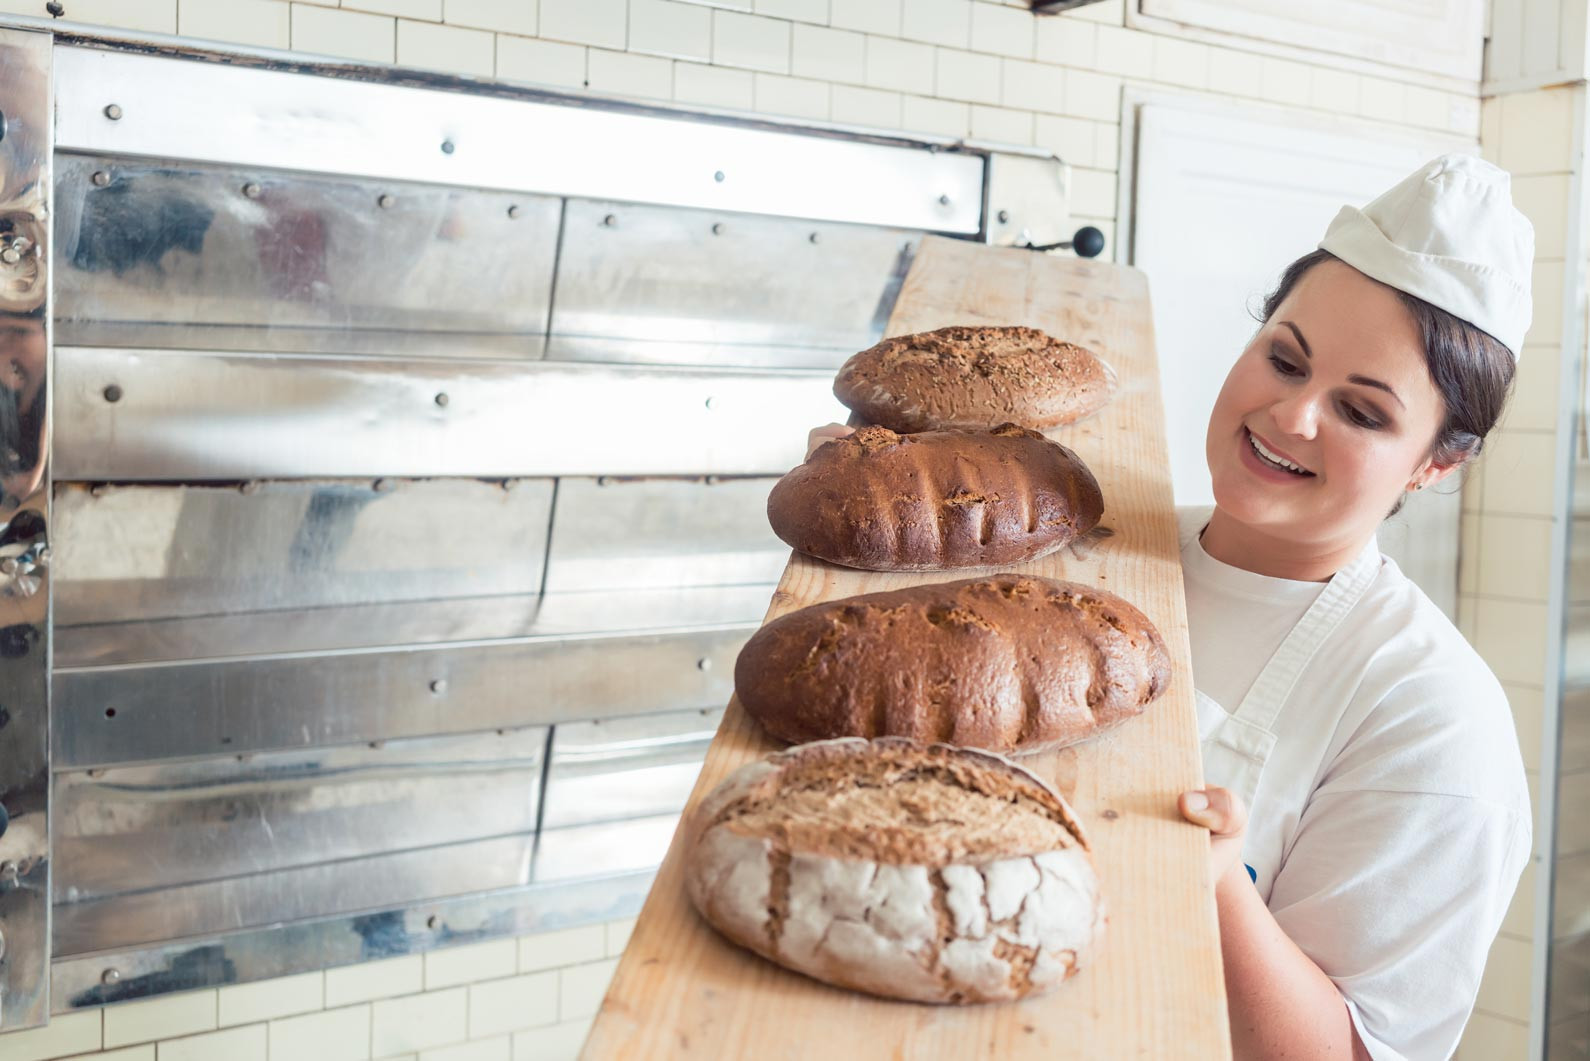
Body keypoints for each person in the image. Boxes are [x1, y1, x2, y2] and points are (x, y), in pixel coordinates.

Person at [806, 154, 1533, 1060]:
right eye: (1284, 358)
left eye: (1362, 412)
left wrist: (1218, 880)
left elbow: (1359, 1050)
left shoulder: (1431, 714)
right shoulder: (1086, 539)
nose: (1291, 416)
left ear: (1438, 462)